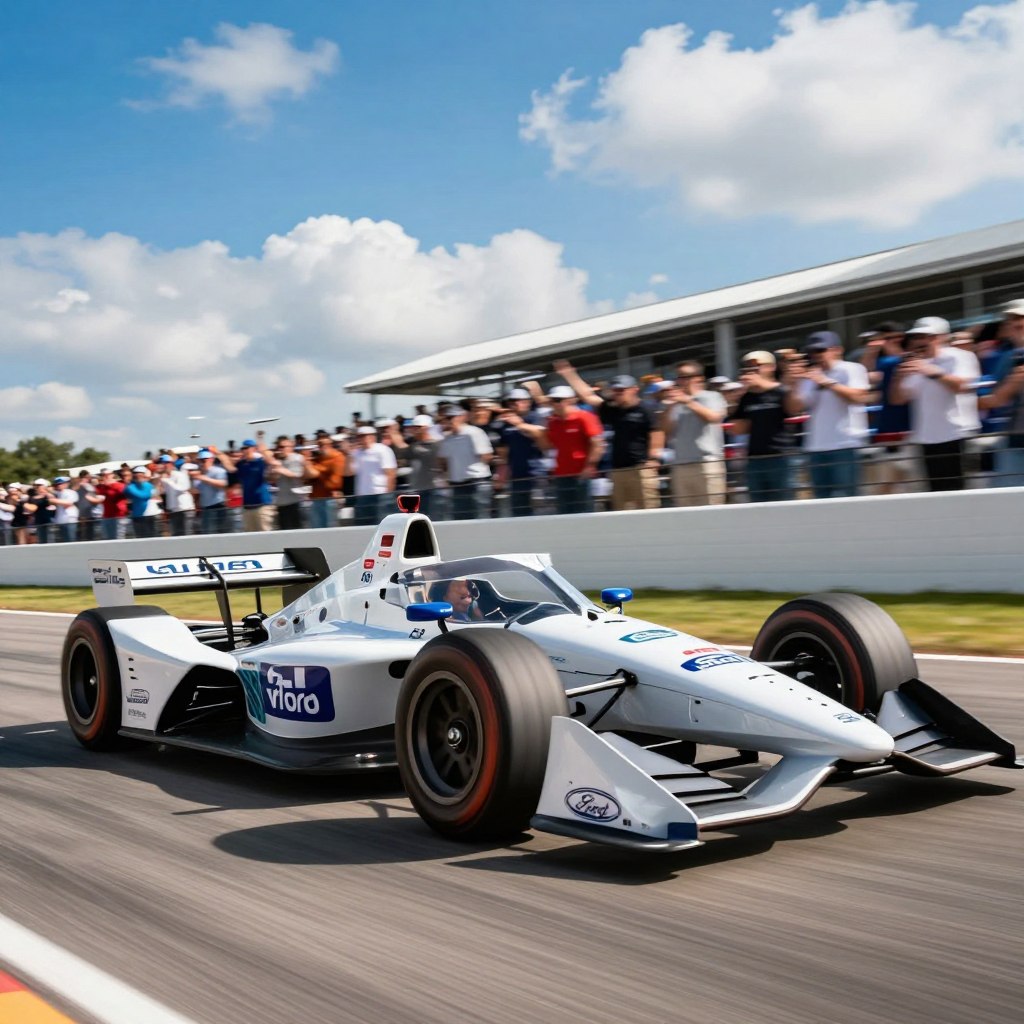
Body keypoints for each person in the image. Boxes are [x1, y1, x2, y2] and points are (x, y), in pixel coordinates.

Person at [554, 363, 662, 511]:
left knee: (648, 509)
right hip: (618, 470)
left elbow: (657, 432)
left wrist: (653, 458)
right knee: (621, 512)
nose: (617, 393)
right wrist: (569, 374)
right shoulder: (612, 409)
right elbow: (588, 396)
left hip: (641, 468)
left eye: (621, 390)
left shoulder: (645, 409)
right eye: (614, 390)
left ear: (634, 389)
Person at [890, 316, 980, 491]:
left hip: (958, 434)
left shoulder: (961, 357)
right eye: (917, 337)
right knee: (935, 495)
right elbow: (898, 399)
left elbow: (962, 386)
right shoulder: (914, 363)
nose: (920, 341)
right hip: (926, 439)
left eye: (927, 336)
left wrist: (931, 371)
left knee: (963, 493)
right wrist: (898, 377)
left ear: (943, 337)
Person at [792, 331, 870, 498]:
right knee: (822, 503)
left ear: (837, 350)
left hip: (845, 445)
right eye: (812, 352)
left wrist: (827, 382)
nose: (816, 355)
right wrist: (794, 382)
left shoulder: (851, 368)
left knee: (847, 499)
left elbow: (859, 397)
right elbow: (795, 407)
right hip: (815, 447)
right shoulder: (809, 377)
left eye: (820, 350)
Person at [730, 351, 799, 502]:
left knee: (785, 505)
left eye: (756, 367)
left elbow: (795, 409)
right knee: (758, 508)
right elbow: (737, 429)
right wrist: (737, 397)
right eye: (747, 368)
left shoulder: (781, 391)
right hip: (755, 460)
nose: (751, 372)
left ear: (771, 367)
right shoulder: (747, 397)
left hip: (780, 457)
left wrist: (764, 385)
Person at [659, 361, 727, 506]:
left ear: (699, 378)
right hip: (680, 464)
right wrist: (670, 407)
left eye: (685, 376)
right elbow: (666, 430)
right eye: (678, 377)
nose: (679, 381)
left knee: (711, 511)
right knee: (685, 515)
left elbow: (714, 417)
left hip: (706, 463)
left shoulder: (711, 396)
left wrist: (688, 402)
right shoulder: (675, 403)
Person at [859, 322, 913, 495]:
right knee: (883, 489)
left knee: (912, 487)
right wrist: (872, 350)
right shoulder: (884, 362)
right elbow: (863, 375)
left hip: (910, 433)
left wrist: (890, 344)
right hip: (886, 434)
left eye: (886, 338)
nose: (882, 342)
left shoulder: (909, 359)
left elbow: (903, 360)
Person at [539, 384, 605, 515]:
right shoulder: (552, 422)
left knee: (585, 511)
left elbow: (597, 444)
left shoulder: (585, 417)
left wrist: (589, 467)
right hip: (561, 474)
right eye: (552, 401)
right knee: (564, 512)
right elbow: (547, 446)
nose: (554, 404)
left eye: (557, 400)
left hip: (582, 474)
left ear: (570, 400)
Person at [980, 299, 1024, 486]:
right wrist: (1013, 383)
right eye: (1011, 318)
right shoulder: (1008, 356)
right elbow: (997, 398)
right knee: (1006, 493)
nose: (1016, 322)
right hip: (1016, 437)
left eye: (1020, 317)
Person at [494, 389, 546, 517]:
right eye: (511, 402)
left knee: (540, 511)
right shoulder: (505, 424)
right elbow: (504, 451)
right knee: (519, 512)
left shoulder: (535, 417)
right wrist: (501, 475)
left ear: (528, 402)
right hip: (516, 475)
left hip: (536, 474)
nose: (514, 404)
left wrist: (519, 424)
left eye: (519, 401)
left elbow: (540, 434)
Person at [437, 405, 493, 520]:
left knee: (480, 518)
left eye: (450, 418)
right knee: (460, 519)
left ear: (460, 417)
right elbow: (442, 461)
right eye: (444, 419)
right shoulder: (447, 439)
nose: (447, 421)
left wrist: (473, 471)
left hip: (476, 483)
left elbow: (486, 456)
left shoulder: (474, 432)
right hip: (457, 484)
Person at [219, 436, 275, 532]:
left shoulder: (260, 463)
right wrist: (219, 455)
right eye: (243, 448)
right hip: (247, 507)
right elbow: (231, 469)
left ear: (254, 449)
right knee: (250, 537)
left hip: (262, 505)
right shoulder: (241, 464)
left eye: (246, 448)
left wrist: (261, 441)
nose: (244, 450)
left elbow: (270, 458)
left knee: (266, 534)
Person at [390, 416, 440, 516]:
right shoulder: (415, 445)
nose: (413, 430)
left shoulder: (436, 445)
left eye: (417, 427)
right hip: (417, 492)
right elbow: (402, 450)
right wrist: (393, 432)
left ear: (426, 428)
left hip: (432, 492)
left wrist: (394, 433)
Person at [351, 425, 397, 525]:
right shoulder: (356, 453)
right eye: (360, 436)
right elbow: (349, 472)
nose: (363, 438)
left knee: (382, 526)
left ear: (373, 436)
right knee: (362, 527)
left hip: (380, 495)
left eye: (365, 436)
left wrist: (387, 495)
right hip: (362, 497)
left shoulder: (383, 450)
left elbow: (391, 474)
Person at [307, 433, 346, 528]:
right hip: (316, 499)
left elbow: (334, 483)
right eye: (320, 445)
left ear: (331, 444)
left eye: (326, 444)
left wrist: (318, 473)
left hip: (330, 499)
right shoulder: (317, 458)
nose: (324, 447)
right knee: (316, 530)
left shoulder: (338, 457)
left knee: (331, 529)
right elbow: (308, 477)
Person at [271, 437, 309, 531]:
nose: (280, 449)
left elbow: (297, 474)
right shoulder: (279, 461)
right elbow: (272, 479)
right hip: (282, 503)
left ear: (291, 447)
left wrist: (280, 469)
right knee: (284, 533)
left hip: (295, 502)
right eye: (278, 447)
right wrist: (274, 471)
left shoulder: (297, 458)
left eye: (282, 447)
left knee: (298, 531)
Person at [159, 458, 196, 536]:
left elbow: (183, 488)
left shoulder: (180, 475)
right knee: (176, 535)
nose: (164, 465)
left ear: (172, 464)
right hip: (174, 510)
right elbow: (163, 492)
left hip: (185, 509)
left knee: (187, 534)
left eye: (167, 463)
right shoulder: (165, 478)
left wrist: (168, 481)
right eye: (163, 463)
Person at [124, 466, 160, 538]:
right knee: (141, 539)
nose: (138, 475)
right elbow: (143, 496)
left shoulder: (148, 485)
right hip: (138, 517)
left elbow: (156, 495)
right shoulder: (130, 487)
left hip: (150, 515)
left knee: (153, 537)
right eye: (136, 474)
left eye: (140, 474)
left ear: (144, 475)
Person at [95, 469, 127, 540]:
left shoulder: (120, 485)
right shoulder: (101, 487)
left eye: (107, 475)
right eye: (103, 475)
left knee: (119, 539)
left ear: (112, 475)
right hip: (106, 516)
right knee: (106, 540)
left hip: (119, 516)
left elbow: (124, 495)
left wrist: (110, 485)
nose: (105, 477)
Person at [49, 477, 80, 543]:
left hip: (69, 520)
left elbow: (69, 503)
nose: (58, 486)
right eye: (57, 484)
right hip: (61, 520)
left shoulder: (70, 492)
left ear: (66, 484)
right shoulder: (58, 493)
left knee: (71, 541)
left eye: (60, 484)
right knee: (64, 542)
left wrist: (54, 500)